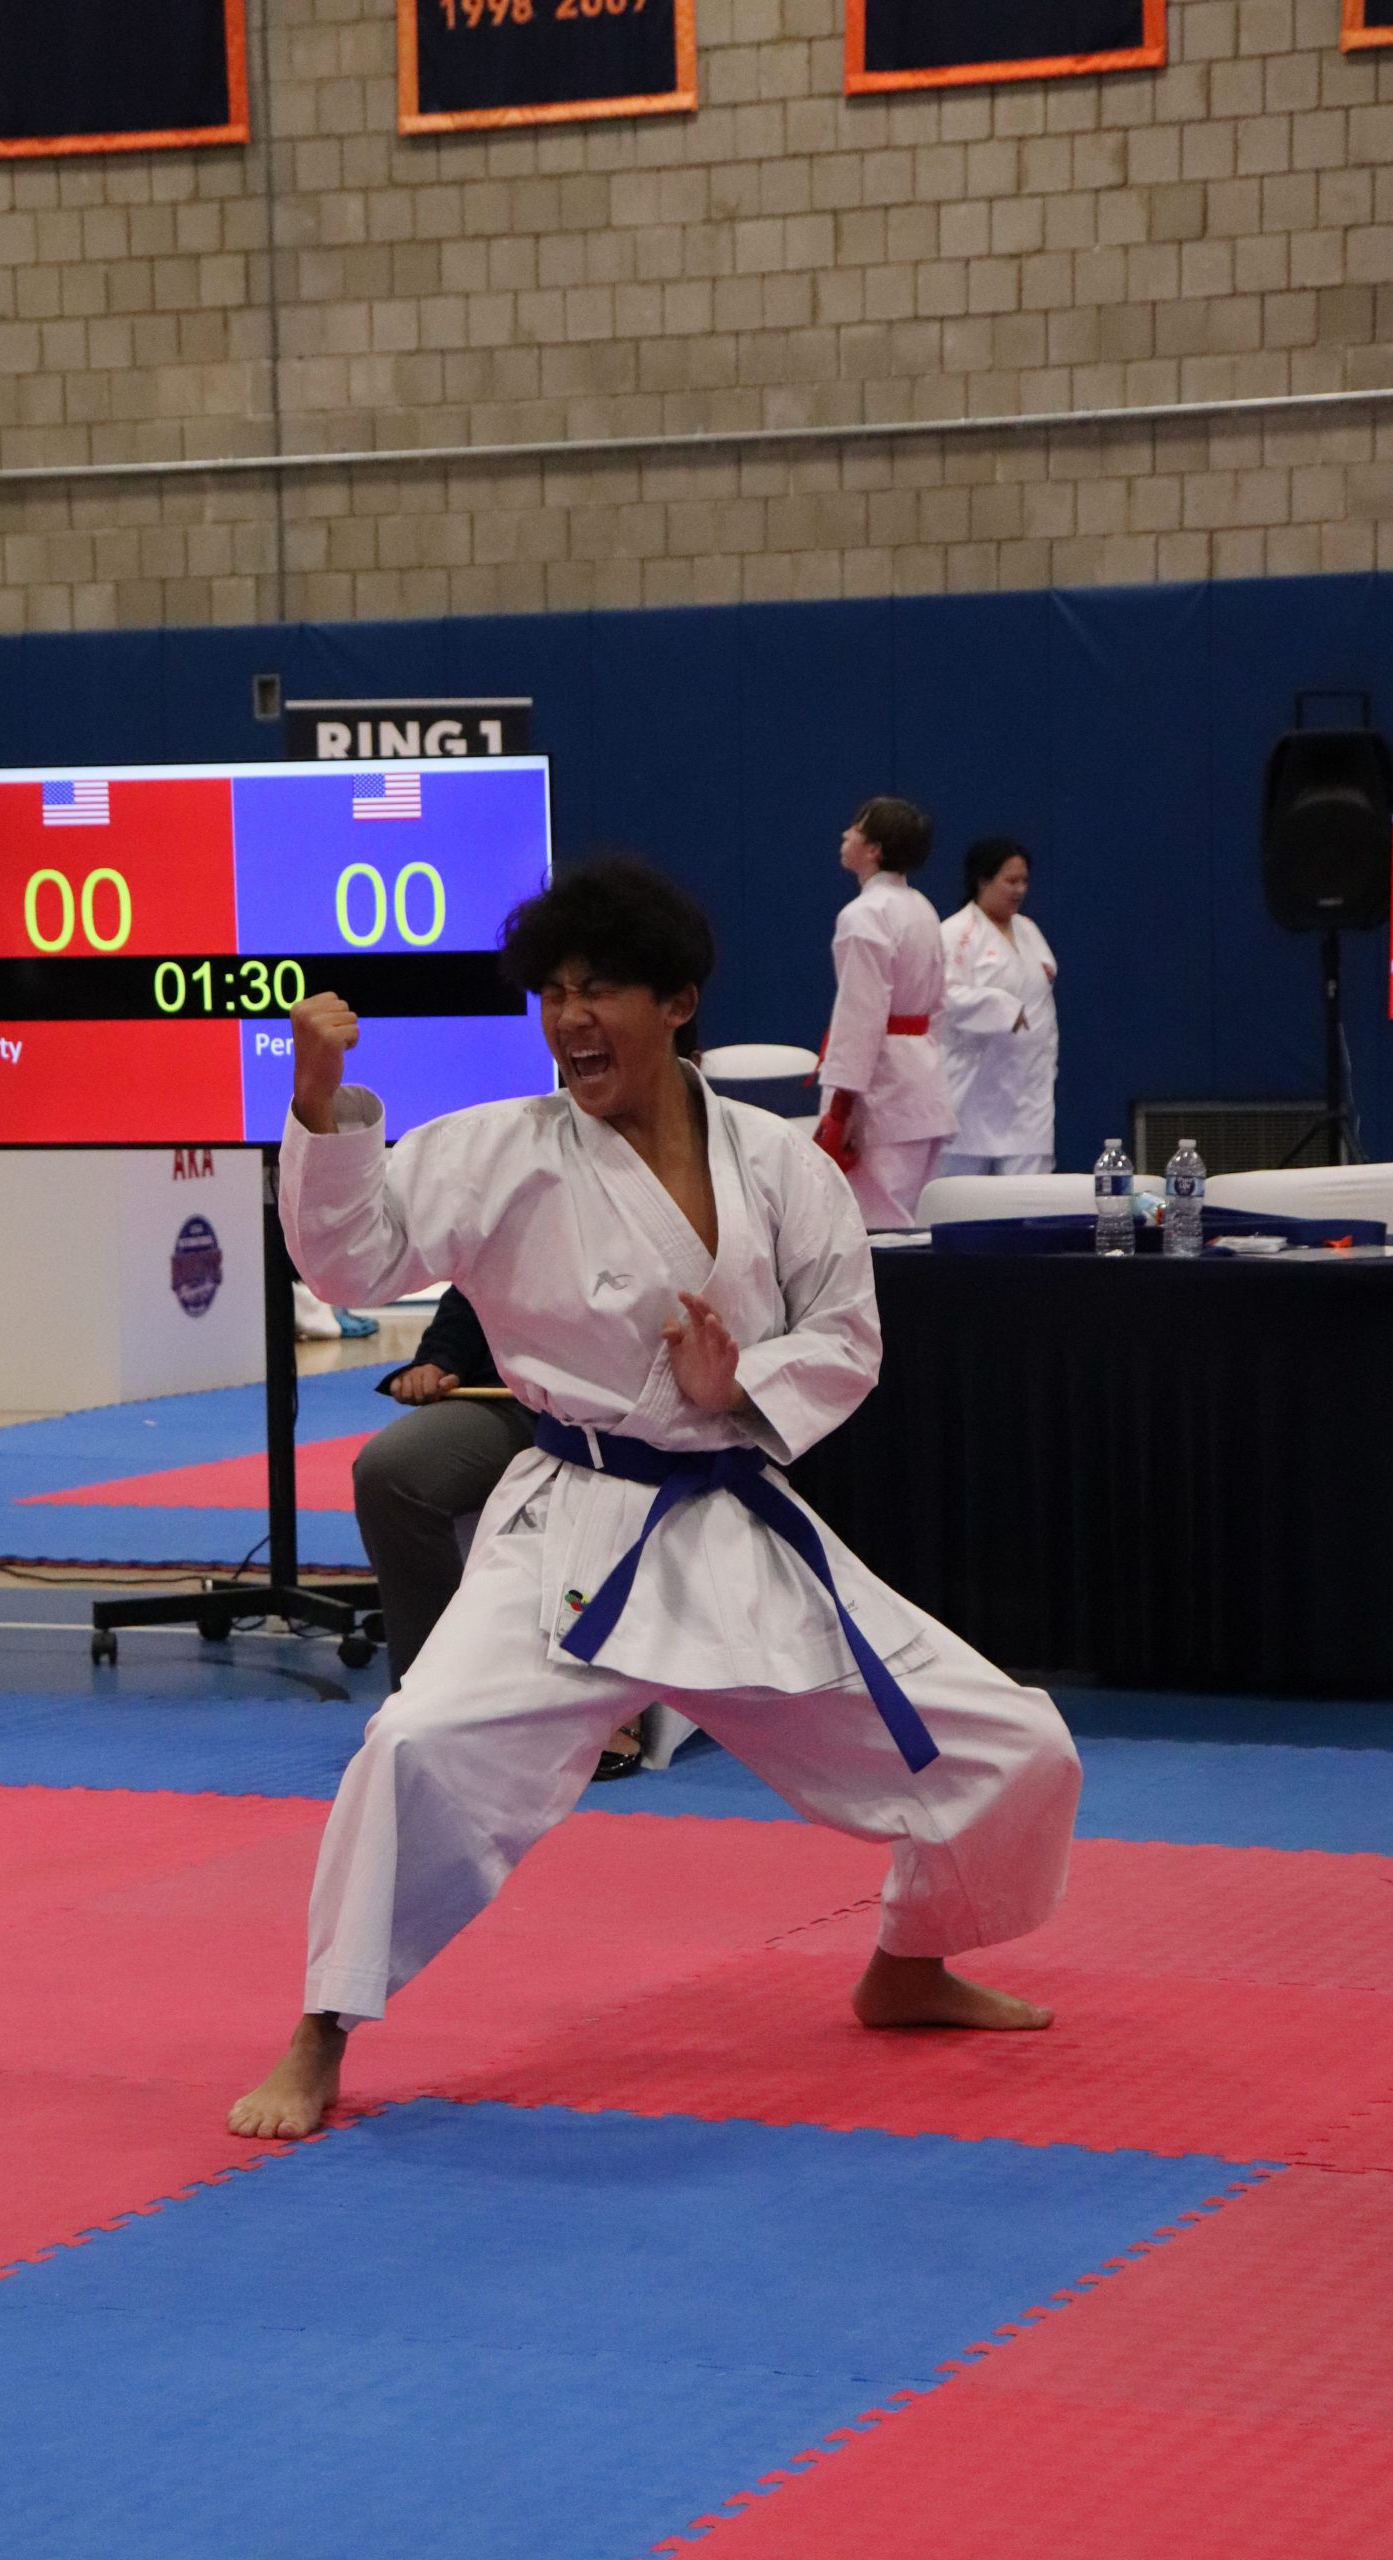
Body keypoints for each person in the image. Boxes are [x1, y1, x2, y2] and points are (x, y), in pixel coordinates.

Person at [229, 856, 1082, 2142]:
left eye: (600, 990)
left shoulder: (778, 1161)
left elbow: (847, 1334)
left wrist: (742, 1384)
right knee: (415, 1745)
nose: (569, 1018)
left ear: (677, 1002)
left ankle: (909, 1963)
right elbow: (353, 1259)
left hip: (733, 1528)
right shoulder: (500, 1152)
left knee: (1020, 1747)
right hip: (572, 1530)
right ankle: (321, 2026)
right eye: (553, 993)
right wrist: (319, 1108)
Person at [356, 1288, 645, 1775]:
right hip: (518, 1398)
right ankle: (430, 1703)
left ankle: (610, 1704)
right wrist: (438, 1359)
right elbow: (476, 1282)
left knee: (608, 1475)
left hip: (639, 1405)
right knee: (391, 1472)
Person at [814, 796, 956, 1231]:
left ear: (873, 849)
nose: (845, 834)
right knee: (910, 1221)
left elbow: (861, 1014)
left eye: (855, 829)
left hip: (881, 1092)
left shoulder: (864, 915)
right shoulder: (922, 908)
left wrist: (842, 1104)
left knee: (874, 1225)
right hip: (923, 1080)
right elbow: (939, 1005)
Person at [938, 838, 1059, 1177]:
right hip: (972, 1088)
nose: (1020, 890)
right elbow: (943, 996)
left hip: (1029, 1089)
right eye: (1011, 881)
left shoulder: (1029, 930)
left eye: (1024, 881)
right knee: (959, 1195)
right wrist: (1002, 1007)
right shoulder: (956, 933)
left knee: (1029, 1194)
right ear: (983, 880)